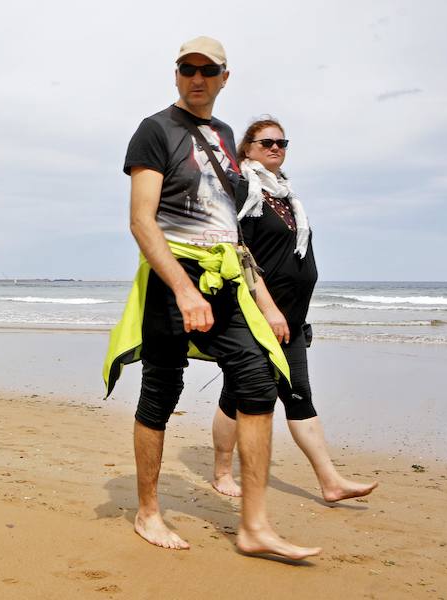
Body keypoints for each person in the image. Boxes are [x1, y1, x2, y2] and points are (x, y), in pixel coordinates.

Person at [103, 36, 320, 560]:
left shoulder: (224, 136)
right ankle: (148, 511)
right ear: (176, 74)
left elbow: (232, 231)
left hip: (227, 281)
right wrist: (182, 288)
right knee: (162, 390)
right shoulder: (154, 131)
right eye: (187, 69)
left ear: (226, 77)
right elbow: (140, 220)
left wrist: (264, 301)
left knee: (256, 380)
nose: (197, 78)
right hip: (173, 280)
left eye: (208, 70)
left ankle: (255, 526)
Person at [211, 118, 378, 502]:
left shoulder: (286, 197)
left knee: (299, 393)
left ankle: (330, 481)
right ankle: (222, 471)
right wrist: (267, 309)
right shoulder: (241, 189)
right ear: (247, 148)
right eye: (266, 142)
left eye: (281, 142)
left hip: (292, 319)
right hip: (257, 316)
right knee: (237, 394)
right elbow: (240, 254)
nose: (275, 147)